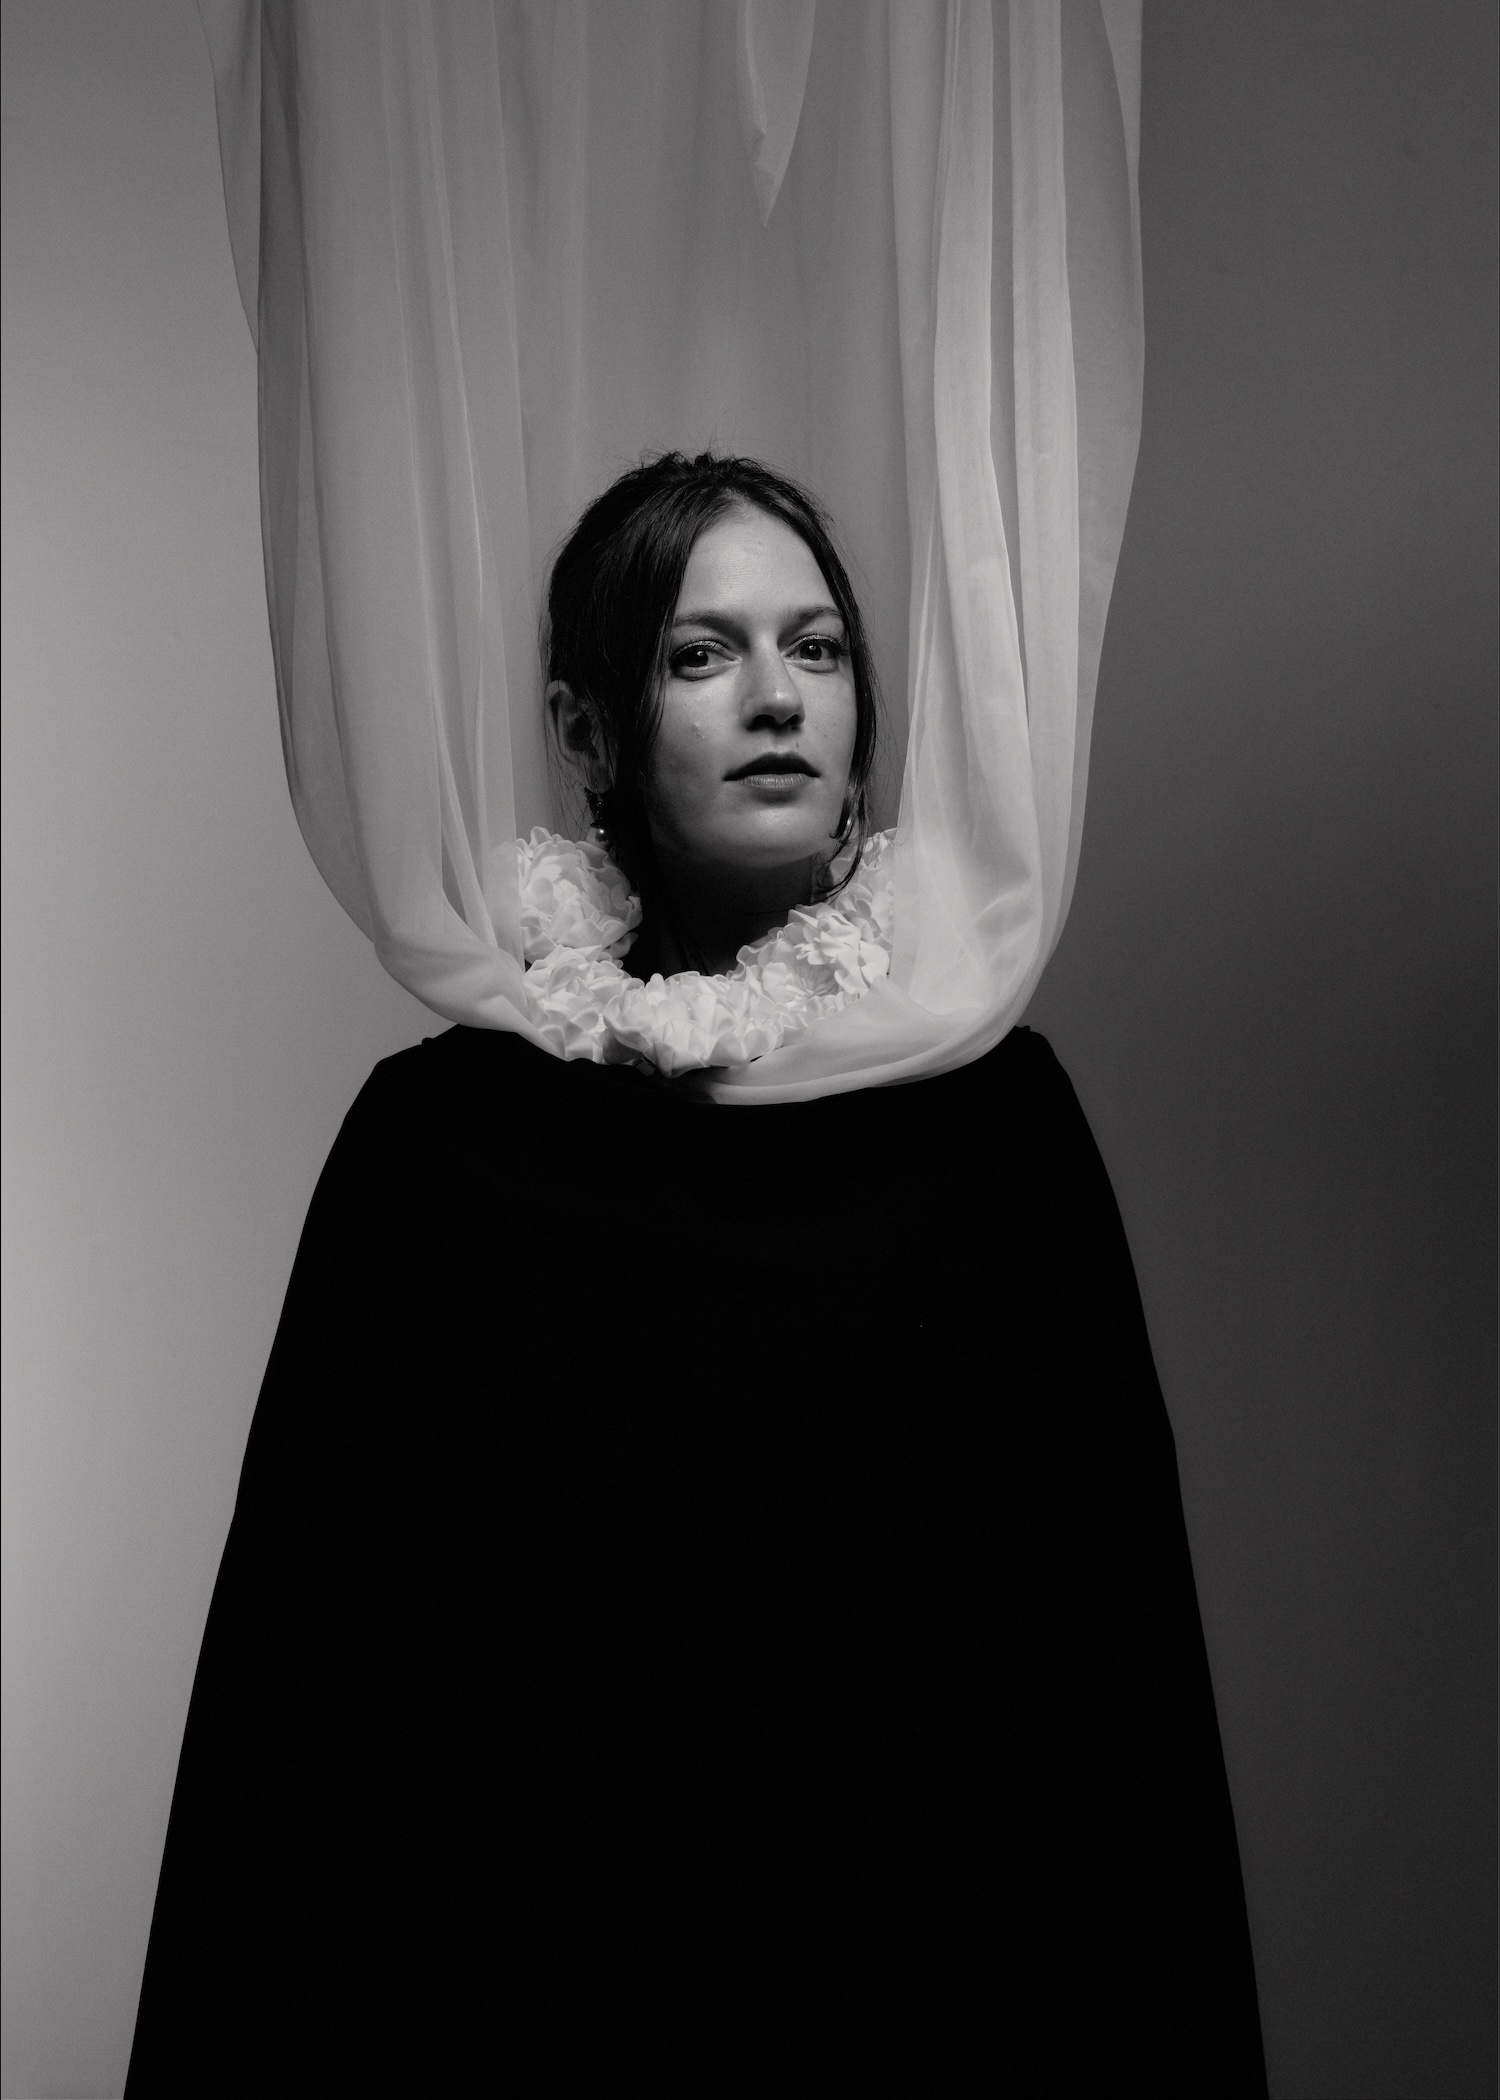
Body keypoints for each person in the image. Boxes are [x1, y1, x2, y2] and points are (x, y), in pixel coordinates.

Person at [126, 454, 1266, 2092]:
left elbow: (1109, 1710)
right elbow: (312, 1721)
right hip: (538, 2004)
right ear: (588, 728)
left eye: (818, 647)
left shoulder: (998, 1127)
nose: (779, 699)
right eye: (700, 652)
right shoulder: (442, 1145)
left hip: (924, 2004)